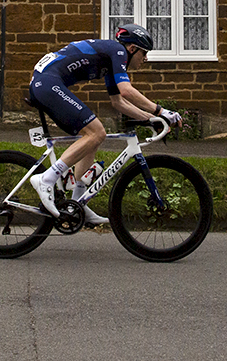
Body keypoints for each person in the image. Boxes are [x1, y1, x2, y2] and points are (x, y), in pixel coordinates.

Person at [27, 23, 182, 226]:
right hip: (47, 84)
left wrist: (150, 119)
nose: (146, 59)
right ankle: (46, 179)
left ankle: (77, 203)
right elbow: (126, 90)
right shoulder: (117, 50)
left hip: (47, 84)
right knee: (96, 132)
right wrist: (161, 111)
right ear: (132, 48)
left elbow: (118, 102)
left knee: (93, 138)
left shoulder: (110, 60)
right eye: (144, 53)